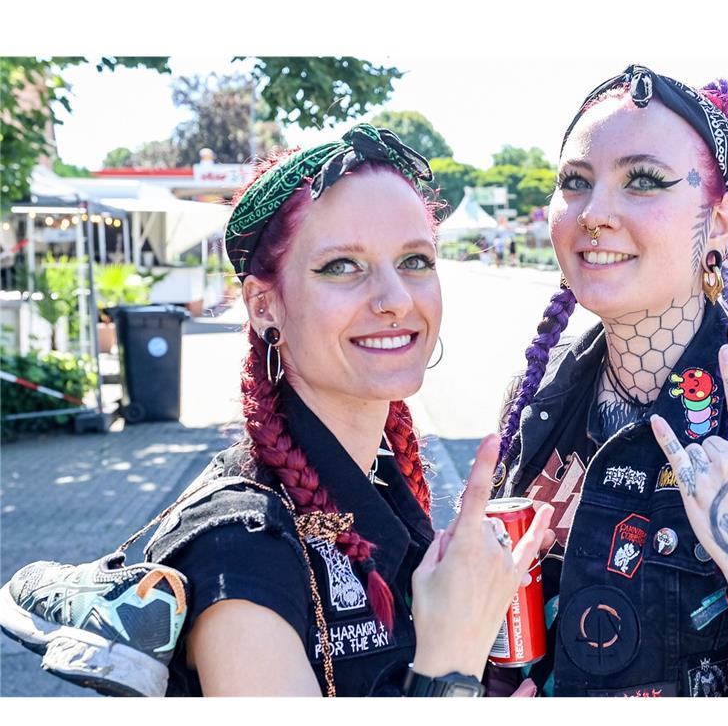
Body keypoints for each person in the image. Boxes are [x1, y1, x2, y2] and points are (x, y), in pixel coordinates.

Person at [0, 124, 552, 697]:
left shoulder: (384, 483)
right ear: (265, 305)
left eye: (415, 260)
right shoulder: (239, 547)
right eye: (342, 266)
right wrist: (451, 663)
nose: (396, 299)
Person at [490, 66, 728, 697]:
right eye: (575, 183)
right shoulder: (536, 400)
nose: (594, 214)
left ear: (720, 222)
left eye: (642, 181)